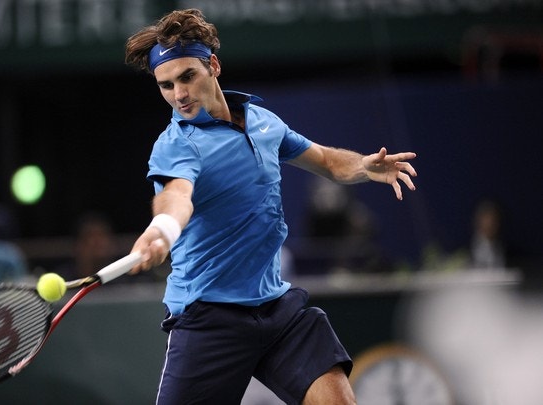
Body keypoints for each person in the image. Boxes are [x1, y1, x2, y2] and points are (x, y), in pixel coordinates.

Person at [124, 9, 417, 405]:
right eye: (166, 85)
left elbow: (327, 161)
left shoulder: (262, 122)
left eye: (187, 76)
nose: (179, 94)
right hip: (210, 317)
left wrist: (364, 166)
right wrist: (162, 229)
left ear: (213, 66)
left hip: (277, 309)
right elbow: (176, 195)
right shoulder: (177, 145)